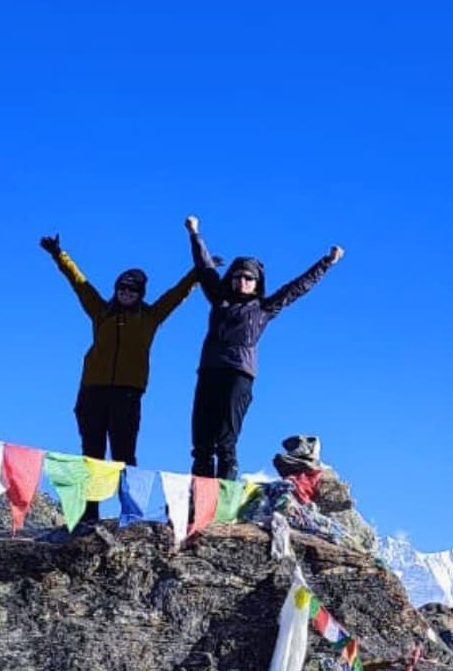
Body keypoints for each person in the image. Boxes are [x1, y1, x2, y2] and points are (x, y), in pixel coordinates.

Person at [40, 234, 201, 523]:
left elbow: (177, 294)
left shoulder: (150, 317)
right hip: (92, 392)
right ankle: (90, 514)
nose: (126, 292)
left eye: (132, 289)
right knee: (91, 454)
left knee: (125, 455)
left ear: (140, 293)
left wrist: (199, 271)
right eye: (122, 287)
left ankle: (130, 512)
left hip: (127, 393)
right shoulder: (101, 312)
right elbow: (79, 283)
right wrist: (58, 254)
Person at [184, 216, 344, 480]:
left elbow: (297, 288)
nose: (243, 281)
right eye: (238, 276)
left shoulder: (264, 308)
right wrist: (194, 234)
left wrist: (326, 262)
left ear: (257, 282)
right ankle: (197, 502)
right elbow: (204, 267)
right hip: (209, 371)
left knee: (225, 442)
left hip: (239, 375)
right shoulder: (219, 299)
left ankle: (224, 501)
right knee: (201, 444)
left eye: (249, 277)